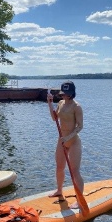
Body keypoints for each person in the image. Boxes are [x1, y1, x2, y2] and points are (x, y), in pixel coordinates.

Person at [47, 81, 84, 209]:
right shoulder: (61, 103)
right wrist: (49, 102)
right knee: (59, 167)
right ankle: (59, 190)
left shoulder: (76, 107)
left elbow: (80, 126)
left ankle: (79, 200)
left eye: (67, 94)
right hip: (61, 140)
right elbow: (54, 118)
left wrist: (68, 137)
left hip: (73, 141)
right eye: (63, 94)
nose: (64, 96)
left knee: (74, 172)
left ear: (72, 93)